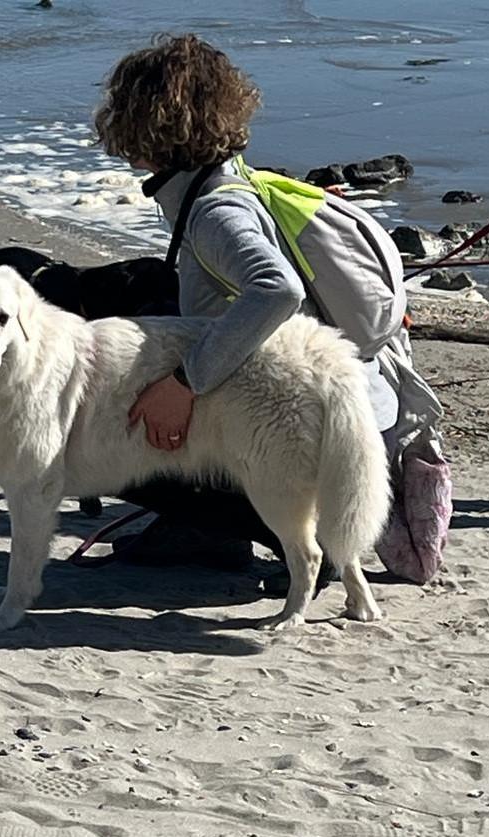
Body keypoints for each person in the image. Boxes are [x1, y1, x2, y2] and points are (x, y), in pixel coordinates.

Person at [92, 33, 442, 589]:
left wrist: (183, 384)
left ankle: (289, 542)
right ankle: (213, 531)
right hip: (334, 399)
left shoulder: (214, 209)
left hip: (307, 421)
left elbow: (277, 290)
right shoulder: (232, 181)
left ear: (154, 124)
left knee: (105, 429)